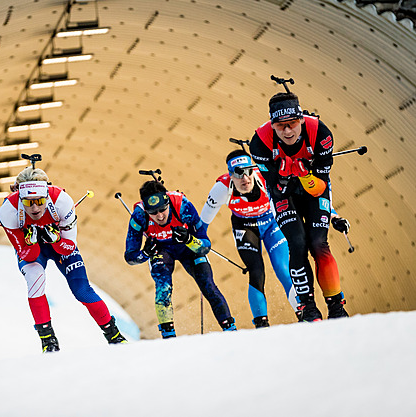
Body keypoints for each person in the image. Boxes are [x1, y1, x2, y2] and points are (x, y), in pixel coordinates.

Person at [0, 165, 127, 352]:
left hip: (59, 246)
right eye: (28, 203)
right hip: (34, 250)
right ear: (19, 197)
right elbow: (28, 254)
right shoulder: (8, 210)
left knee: (81, 290)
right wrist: (33, 243)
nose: (35, 208)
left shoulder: (62, 201)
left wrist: (56, 240)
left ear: (47, 195)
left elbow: (69, 247)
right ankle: (48, 341)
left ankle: (114, 335)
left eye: (40, 201)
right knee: (35, 279)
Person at [249, 91, 350, 322]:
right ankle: (307, 306)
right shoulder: (260, 142)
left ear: (302, 120)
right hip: (285, 194)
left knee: (318, 243)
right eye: (281, 126)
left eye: (292, 124)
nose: (287, 131)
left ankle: (336, 306)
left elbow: (318, 188)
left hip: (314, 188)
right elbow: (275, 189)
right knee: (297, 243)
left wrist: (304, 176)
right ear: (272, 125)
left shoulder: (320, 133)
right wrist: (284, 177)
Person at [124, 179, 237, 338]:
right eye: (153, 212)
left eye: (163, 209)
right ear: (146, 210)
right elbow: (130, 257)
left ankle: (230, 329)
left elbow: (205, 245)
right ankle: (169, 336)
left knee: (207, 284)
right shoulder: (139, 216)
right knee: (163, 287)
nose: (159, 216)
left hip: (187, 248)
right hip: (161, 251)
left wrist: (189, 240)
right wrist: (146, 253)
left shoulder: (182, 206)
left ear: (168, 202)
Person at [200, 150, 300, 328]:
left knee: (283, 268)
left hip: (270, 224)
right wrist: (198, 242)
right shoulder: (222, 188)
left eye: (248, 171)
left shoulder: (265, 177)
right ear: (230, 175)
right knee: (256, 272)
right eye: (238, 173)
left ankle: (303, 311)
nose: (245, 178)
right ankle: (261, 324)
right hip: (245, 226)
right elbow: (203, 223)